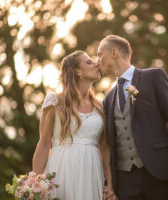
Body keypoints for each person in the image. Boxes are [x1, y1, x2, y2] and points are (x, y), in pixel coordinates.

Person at [98, 35, 168, 200]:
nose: (97, 60)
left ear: (114, 53)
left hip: (159, 173)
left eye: (100, 54)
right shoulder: (108, 98)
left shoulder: (154, 77)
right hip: (125, 182)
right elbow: (109, 144)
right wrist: (110, 185)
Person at [32, 51, 116, 200]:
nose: (96, 64)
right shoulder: (55, 101)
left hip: (91, 170)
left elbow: (105, 149)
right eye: (89, 62)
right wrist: (36, 185)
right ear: (77, 71)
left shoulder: (102, 107)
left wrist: (110, 184)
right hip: (61, 167)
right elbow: (44, 144)